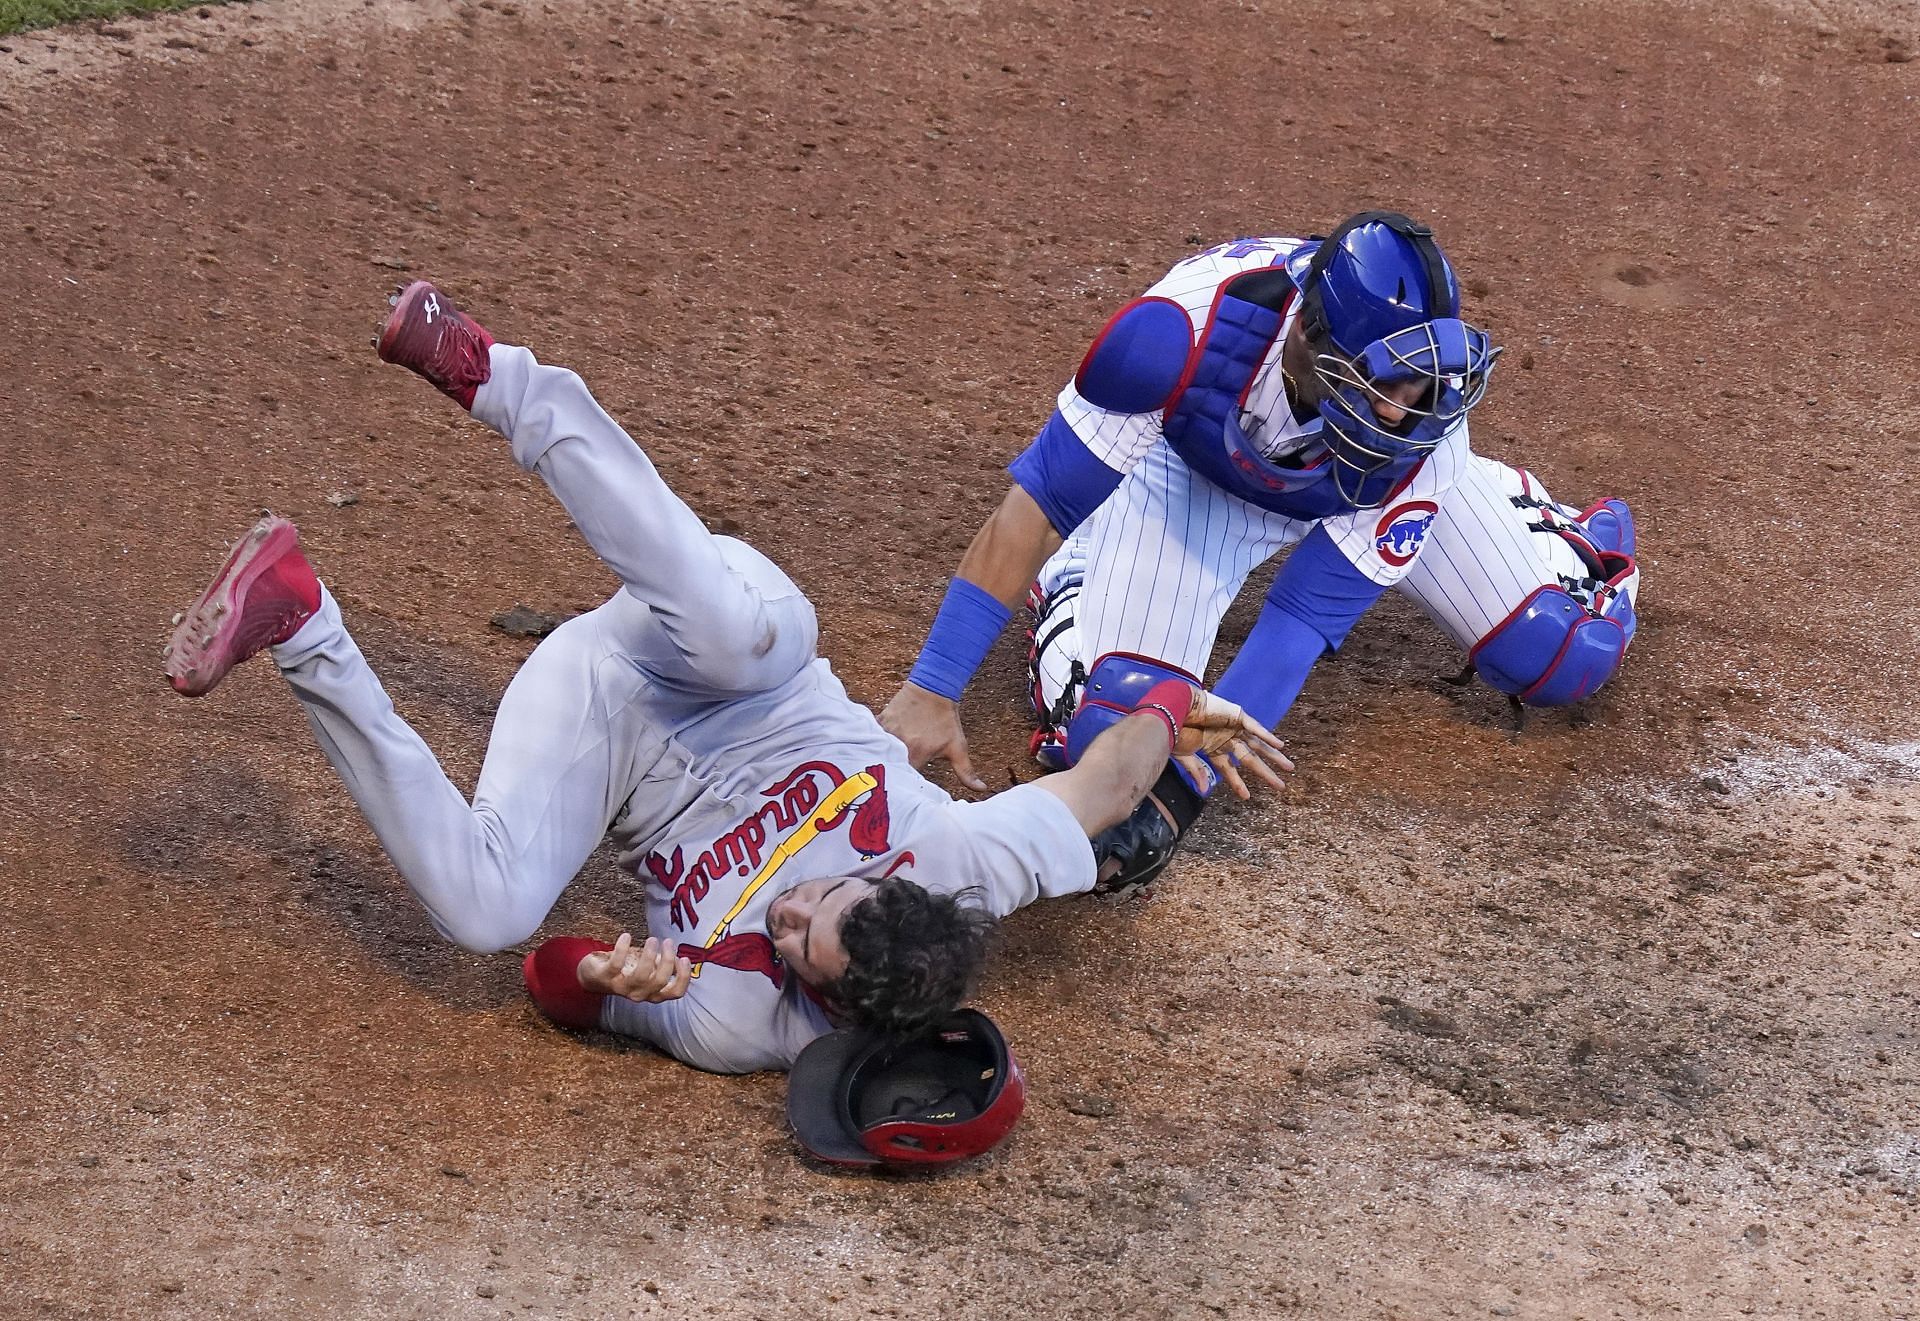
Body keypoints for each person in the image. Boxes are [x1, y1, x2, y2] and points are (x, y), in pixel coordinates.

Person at [162, 281, 1291, 1077]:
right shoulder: (961, 866)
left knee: (484, 910)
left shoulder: (742, 1020)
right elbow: (1102, 793)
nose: (791, 914)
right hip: (746, 650)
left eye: (800, 943)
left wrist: (606, 974)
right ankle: (494, 378)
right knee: (726, 634)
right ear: (894, 886)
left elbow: (549, 980)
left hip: (609, 717)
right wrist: (1165, 703)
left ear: (824, 1006)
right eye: (824, 906)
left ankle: (299, 619)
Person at [881, 211, 1642, 893]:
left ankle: (1559, 537)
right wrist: (933, 684)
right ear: (1309, 336)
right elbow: (1038, 508)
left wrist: (1179, 802)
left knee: (1561, 649)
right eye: (1378, 381)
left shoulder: (1416, 428)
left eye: (1418, 382)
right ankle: (1078, 582)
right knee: (1112, 726)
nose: (1398, 407)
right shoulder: (1177, 334)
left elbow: (1297, 622)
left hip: (1360, 487)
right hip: (1190, 476)